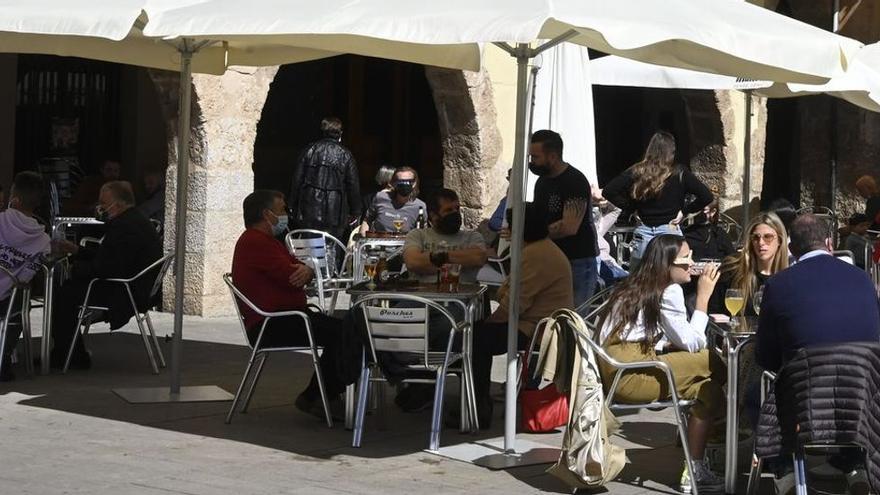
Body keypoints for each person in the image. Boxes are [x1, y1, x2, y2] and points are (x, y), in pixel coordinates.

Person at [756, 213, 880, 493]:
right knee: (847, 378)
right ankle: (853, 464)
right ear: (829, 243)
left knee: (756, 394)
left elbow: (766, 356)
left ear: (792, 250)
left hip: (806, 393)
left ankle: (785, 472)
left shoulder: (778, 284)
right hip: (865, 395)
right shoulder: (862, 279)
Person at [596, 234, 724, 493]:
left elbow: (633, 336)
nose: (692, 263)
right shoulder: (669, 289)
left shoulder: (639, 285)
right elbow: (693, 343)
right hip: (631, 375)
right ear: (667, 265)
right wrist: (703, 298)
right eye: (686, 258)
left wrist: (663, 345)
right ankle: (734, 422)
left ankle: (694, 468)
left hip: (618, 370)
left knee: (709, 389)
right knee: (714, 361)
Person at [231, 190, 346, 419]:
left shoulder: (268, 242)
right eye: (282, 210)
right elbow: (292, 276)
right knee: (345, 334)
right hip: (272, 323)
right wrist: (306, 271)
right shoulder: (255, 242)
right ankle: (319, 396)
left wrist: (308, 270)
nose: (286, 215)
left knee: (347, 329)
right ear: (267, 214)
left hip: (288, 317)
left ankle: (321, 395)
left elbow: (300, 269)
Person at [470, 202, 573, 427]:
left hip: (538, 330)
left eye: (510, 226)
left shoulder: (536, 254)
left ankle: (478, 406)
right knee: (476, 332)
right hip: (536, 324)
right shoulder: (537, 249)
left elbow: (514, 306)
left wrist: (489, 320)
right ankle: (475, 402)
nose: (505, 230)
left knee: (474, 339)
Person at [50, 181, 162, 369]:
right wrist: (77, 250)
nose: (99, 207)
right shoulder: (132, 219)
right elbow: (109, 257)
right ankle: (66, 352)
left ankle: (71, 356)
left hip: (126, 291)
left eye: (103, 202)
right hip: (135, 286)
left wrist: (75, 268)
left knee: (65, 294)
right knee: (69, 289)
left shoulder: (124, 227)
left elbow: (105, 269)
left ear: (117, 205)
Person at [396, 188, 487, 412]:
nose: (455, 214)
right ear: (433, 216)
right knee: (393, 316)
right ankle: (418, 374)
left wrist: (440, 256)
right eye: (448, 210)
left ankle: (424, 380)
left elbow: (478, 256)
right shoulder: (418, 236)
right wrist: (456, 258)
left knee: (450, 321)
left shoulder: (471, 236)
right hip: (420, 301)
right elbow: (413, 262)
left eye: (457, 209)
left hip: (458, 305)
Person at [602, 131, 713, 270]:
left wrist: (632, 208)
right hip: (670, 231)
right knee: (671, 280)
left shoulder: (638, 171)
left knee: (638, 282)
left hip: (644, 230)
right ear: (672, 152)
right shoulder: (679, 173)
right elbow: (707, 196)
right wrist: (684, 211)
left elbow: (609, 191)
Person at [529, 129, 599, 308]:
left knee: (571, 320)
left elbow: (569, 226)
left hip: (577, 260)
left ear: (552, 156)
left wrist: (532, 233)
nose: (532, 162)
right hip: (550, 259)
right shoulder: (542, 182)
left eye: (536, 157)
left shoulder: (574, 181)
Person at [0, 172, 51, 380]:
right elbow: (25, 278)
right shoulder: (43, 240)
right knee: (21, 299)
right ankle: (2, 360)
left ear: (15, 199)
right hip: (6, 302)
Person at [289, 117, 361, 241]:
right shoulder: (346, 154)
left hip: (309, 211)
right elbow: (352, 185)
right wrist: (356, 211)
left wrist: (291, 205)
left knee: (310, 248)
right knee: (332, 247)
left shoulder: (309, 150)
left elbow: (297, 180)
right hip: (335, 213)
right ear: (340, 133)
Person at [709, 212, 788, 316]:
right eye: (755, 237)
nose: (761, 242)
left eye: (768, 237)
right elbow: (713, 311)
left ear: (780, 241)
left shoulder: (788, 279)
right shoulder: (733, 271)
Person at [360, 166, 427, 235]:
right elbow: (367, 220)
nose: (404, 184)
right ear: (393, 183)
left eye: (408, 181)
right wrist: (363, 237)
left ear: (414, 183)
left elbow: (423, 232)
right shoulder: (380, 198)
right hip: (380, 242)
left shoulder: (420, 206)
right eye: (400, 181)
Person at [592, 186, 628, 287]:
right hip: (600, 273)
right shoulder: (581, 232)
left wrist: (603, 198)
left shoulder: (598, 229)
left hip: (614, 270)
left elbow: (617, 209)